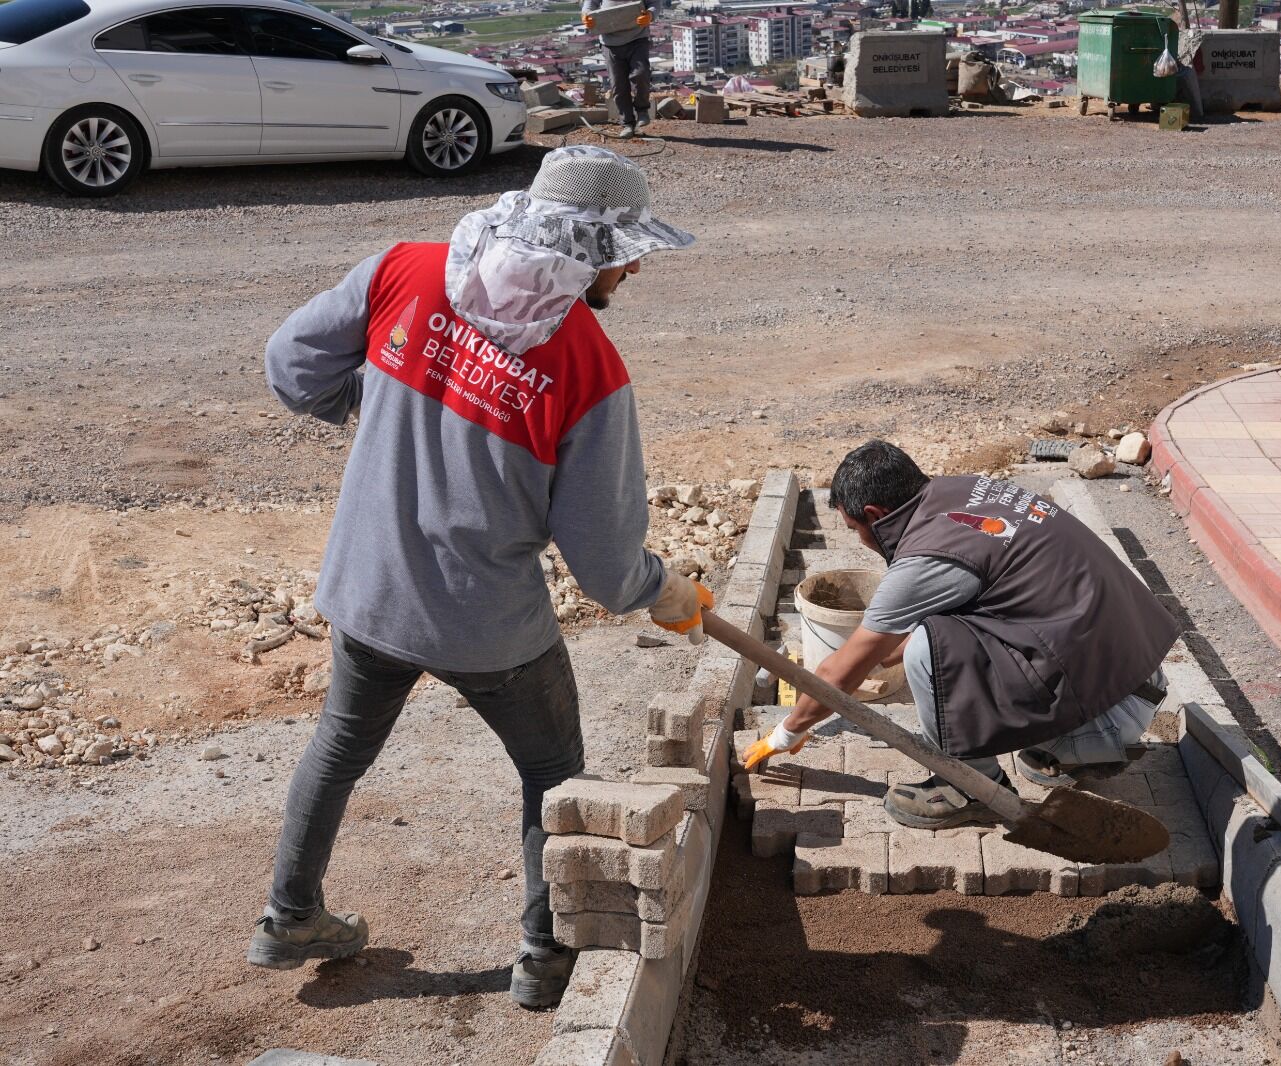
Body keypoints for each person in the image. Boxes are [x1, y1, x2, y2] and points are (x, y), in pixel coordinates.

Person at [249, 146, 711, 1009]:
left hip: (371, 588)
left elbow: (291, 364)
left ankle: (288, 916)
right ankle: (541, 957)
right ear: (582, 250)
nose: (636, 266)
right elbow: (605, 565)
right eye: (622, 252)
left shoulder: (407, 271)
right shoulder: (586, 367)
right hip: (485, 622)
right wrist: (665, 589)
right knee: (553, 770)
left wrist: (374, 403)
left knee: (339, 748)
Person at [742, 440, 1180, 829]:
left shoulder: (930, 557)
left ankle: (972, 788)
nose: (859, 540)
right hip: (1137, 681)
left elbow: (840, 673)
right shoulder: (963, 493)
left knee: (931, 651)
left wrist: (786, 733)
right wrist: (883, 648)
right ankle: (1063, 747)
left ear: (875, 515)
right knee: (928, 640)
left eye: (856, 530)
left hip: (1109, 715)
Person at [582, 0, 660, 139]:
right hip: (610, 42)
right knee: (618, 85)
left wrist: (650, 14)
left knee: (641, 74)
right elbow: (590, 3)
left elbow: (653, 2)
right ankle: (627, 124)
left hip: (637, 38)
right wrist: (586, 15)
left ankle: (642, 110)